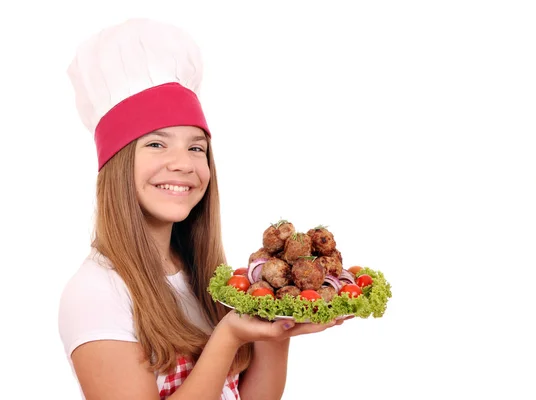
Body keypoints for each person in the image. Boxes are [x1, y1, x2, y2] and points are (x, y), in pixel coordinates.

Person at [58, 17, 353, 400]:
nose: (184, 164)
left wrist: (279, 327)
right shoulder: (97, 292)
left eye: (196, 147)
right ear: (116, 163)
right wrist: (228, 336)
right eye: (156, 144)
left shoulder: (201, 274)